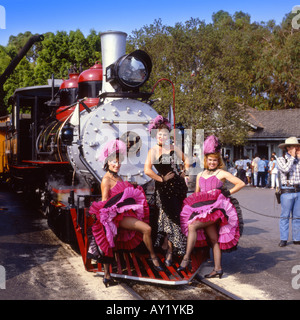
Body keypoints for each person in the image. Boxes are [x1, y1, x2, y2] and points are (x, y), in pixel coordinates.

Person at [88, 139, 163, 287]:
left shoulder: (118, 177)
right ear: (107, 163)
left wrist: (131, 185)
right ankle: (108, 274)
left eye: (118, 162)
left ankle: (151, 256)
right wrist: (105, 220)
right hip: (114, 217)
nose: (116, 165)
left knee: (146, 228)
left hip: (124, 213)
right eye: (113, 162)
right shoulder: (106, 180)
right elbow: (104, 201)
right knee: (110, 239)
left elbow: (121, 193)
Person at [178, 135, 245, 278]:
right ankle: (218, 268)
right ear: (206, 160)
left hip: (216, 211)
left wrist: (227, 192)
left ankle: (186, 258)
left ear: (218, 161)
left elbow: (241, 183)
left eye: (215, 160)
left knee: (193, 226)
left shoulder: (221, 173)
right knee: (213, 239)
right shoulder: (201, 174)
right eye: (210, 160)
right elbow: (196, 195)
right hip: (203, 210)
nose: (212, 162)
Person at [144, 115, 189, 266]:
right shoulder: (153, 151)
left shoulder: (173, 148)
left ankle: (168, 248)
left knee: (174, 217)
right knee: (167, 219)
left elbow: (186, 160)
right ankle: (168, 249)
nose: (162, 137)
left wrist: (184, 172)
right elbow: (147, 170)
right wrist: (161, 179)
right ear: (155, 135)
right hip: (163, 188)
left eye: (165, 134)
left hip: (177, 187)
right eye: (160, 134)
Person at [277, 137, 300, 247]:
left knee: (297, 216)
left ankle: (297, 238)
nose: (296, 149)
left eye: (297, 147)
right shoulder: (281, 159)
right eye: (294, 147)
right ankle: (283, 239)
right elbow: (286, 169)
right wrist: (292, 157)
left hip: (298, 190)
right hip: (287, 190)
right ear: (287, 148)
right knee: (285, 216)